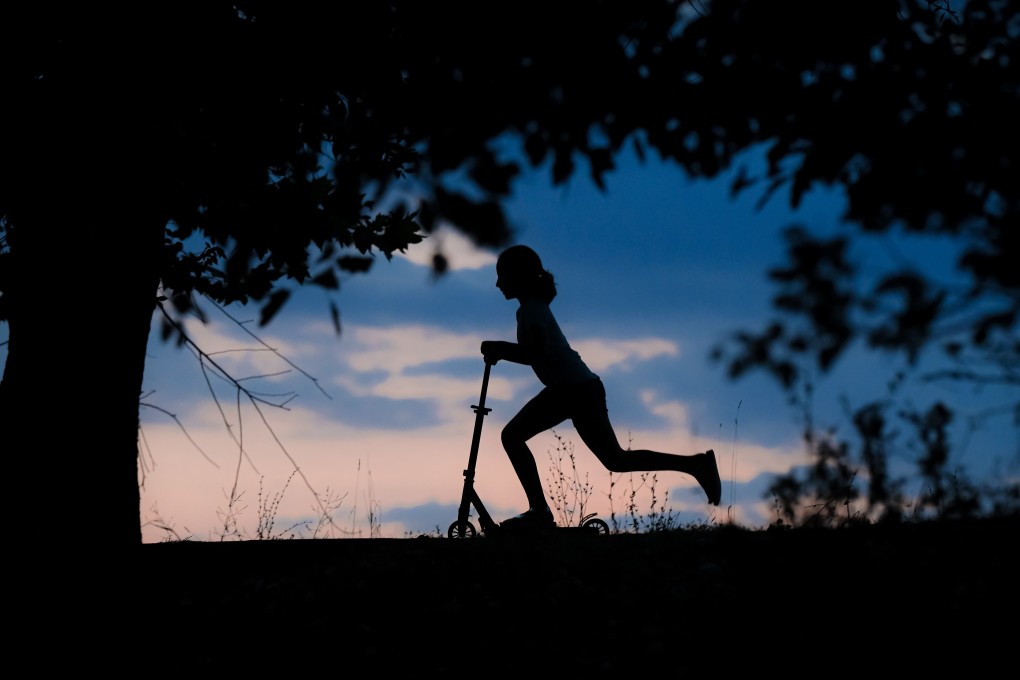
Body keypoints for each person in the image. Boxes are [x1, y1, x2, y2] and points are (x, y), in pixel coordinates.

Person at [480, 245, 722, 532]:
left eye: (502, 276)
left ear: (517, 276)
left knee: (512, 436)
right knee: (616, 460)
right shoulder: (532, 309)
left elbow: (534, 352)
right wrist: (502, 350)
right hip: (579, 388)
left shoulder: (531, 310)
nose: (497, 284)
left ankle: (539, 512)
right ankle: (696, 465)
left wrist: (499, 349)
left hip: (571, 390)